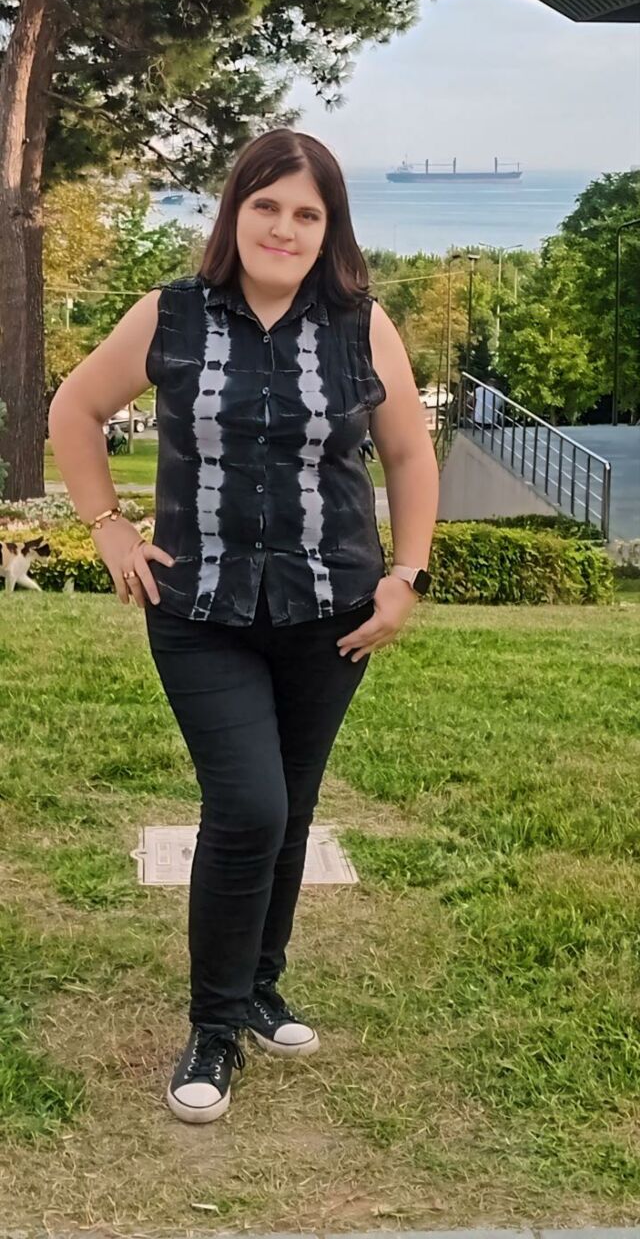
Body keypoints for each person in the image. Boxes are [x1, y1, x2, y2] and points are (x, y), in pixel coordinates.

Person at [48, 128, 439, 1127]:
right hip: (202, 613)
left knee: (291, 809)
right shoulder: (170, 314)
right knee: (249, 809)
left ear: (329, 228)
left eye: (307, 212)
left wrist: (406, 575)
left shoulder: (361, 326)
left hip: (331, 614)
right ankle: (214, 1025)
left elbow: (408, 454)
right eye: (267, 205)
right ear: (235, 213)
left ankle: (260, 986)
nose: (284, 227)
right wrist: (107, 526)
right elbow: (75, 409)